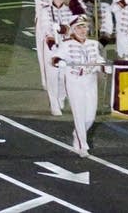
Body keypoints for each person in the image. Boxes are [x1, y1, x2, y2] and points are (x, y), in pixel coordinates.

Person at [50, 16, 105, 157]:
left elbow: (98, 59)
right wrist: (60, 62)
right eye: (79, 27)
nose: (82, 30)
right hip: (75, 81)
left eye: (84, 26)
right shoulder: (66, 44)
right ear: (73, 30)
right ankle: (82, 145)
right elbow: (54, 59)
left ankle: (78, 133)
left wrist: (103, 66)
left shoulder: (93, 43)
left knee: (90, 117)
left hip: (90, 81)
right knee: (79, 114)